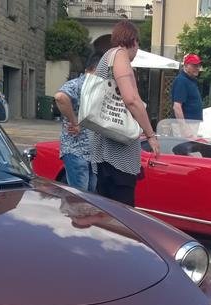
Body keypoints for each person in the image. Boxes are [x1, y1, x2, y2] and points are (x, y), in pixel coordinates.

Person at [90, 20, 160, 207]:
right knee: (122, 214)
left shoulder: (107, 57)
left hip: (103, 149)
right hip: (117, 154)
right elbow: (131, 100)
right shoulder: (120, 55)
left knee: (106, 211)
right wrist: (150, 135)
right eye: (138, 44)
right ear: (134, 41)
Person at [53, 52, 102, 192]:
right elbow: (60, 97)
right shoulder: (78, 84)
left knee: (91, 196)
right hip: (76, 150)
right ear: (94, 69)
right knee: (80, 196)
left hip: (92, 152)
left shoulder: (98, 88)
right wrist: (74, 122)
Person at [172, 53, 203, 121]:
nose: (198, 68)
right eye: (194, 65)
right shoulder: (181, 80)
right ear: (186, 66)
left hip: (192, 124)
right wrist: (183, 126)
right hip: (185, 125)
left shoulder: (191, 80)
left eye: (198, 65)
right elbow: (177, 107)